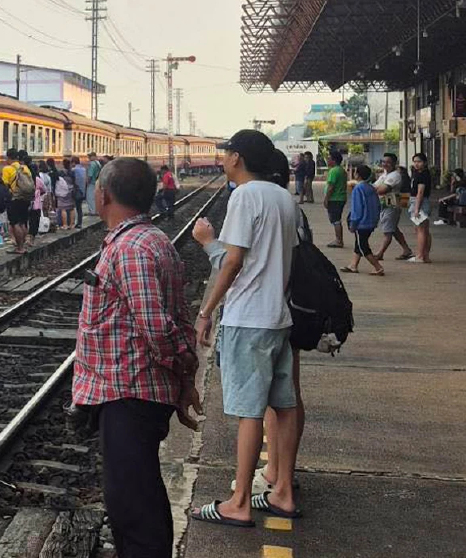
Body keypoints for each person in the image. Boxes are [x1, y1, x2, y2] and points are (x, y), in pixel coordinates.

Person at [73, 157, 200, 557]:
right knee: (137, 495)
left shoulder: (129, 249)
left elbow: (158, 326)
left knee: (133, 505)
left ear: (104, 193)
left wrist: (183, 372)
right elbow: (178, 317)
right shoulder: (151, 239)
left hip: (130, 391)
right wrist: (182, 378)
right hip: (135, 388)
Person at [192, 130, 301, 527]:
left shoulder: (244, 196)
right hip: (278, 317)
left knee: (249, 413)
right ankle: (283, 492)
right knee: (284, 406)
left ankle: (238, 500)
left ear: (237, 158)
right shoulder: (283, 198)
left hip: (247, 318)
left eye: (225, 155)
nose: (222, 161)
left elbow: (233, 262)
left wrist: (206, 311)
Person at [343, 164, 385, 277]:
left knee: (363, 246)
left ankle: (378, 267)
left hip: (362, 223)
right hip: (371, 221)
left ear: (357, 175)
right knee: (359, 243)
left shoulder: (358, 189)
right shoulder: (371, 188)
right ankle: (353, 265)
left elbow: (357, 208)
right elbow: (377, 205)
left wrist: (353, 223)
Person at [373, 153, 414, 261]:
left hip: (391, 205)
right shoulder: (384, 175)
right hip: (384, 204)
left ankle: (380, 253)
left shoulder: (394, 176)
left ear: (394, 163)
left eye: (388, 162)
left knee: (387, 231)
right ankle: (406, 250)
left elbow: (382, 190)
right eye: (383, 162)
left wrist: (376, 189)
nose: (385, 164)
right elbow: (374, 187)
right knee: (393, 229)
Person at [2, 148, 33, 254]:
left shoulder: (7, 169)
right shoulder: (24, 168)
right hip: (25, 198)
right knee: (23, 222)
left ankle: (19, 248)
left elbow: (5, 185)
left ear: (8, 157)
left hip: (14, 198)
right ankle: (23, 246)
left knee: (15, 223)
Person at [409, 153, 433, 263]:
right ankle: (425, 255)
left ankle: (420, 256)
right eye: (415, 161)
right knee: (425, 230)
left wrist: (416, 209)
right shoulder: (422, 173)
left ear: (425, 163)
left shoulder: (421, 175)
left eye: (419, 161)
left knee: (420, 230)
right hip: (423, 202)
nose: (416, 164)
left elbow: (420, 193)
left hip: (419, 202)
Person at [323, 151, 348, 248]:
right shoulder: (341, 170)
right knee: (335, 219)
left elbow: (331, 186)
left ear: (334, 160)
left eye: (329, 159)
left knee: (336, 220)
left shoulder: (333, 171)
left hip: (335, 198)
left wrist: (326, 199)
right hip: (340, 197)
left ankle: (339, 240)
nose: (327, 160)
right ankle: (338, 239)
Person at [72, 156, 88, 229]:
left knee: (73, 207)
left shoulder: (74, 170)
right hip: (82, 191)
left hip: (76, 191)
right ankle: (79, 222)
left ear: (74, 162)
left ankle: (75, 222)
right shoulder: (84, 169)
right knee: (79, 208)